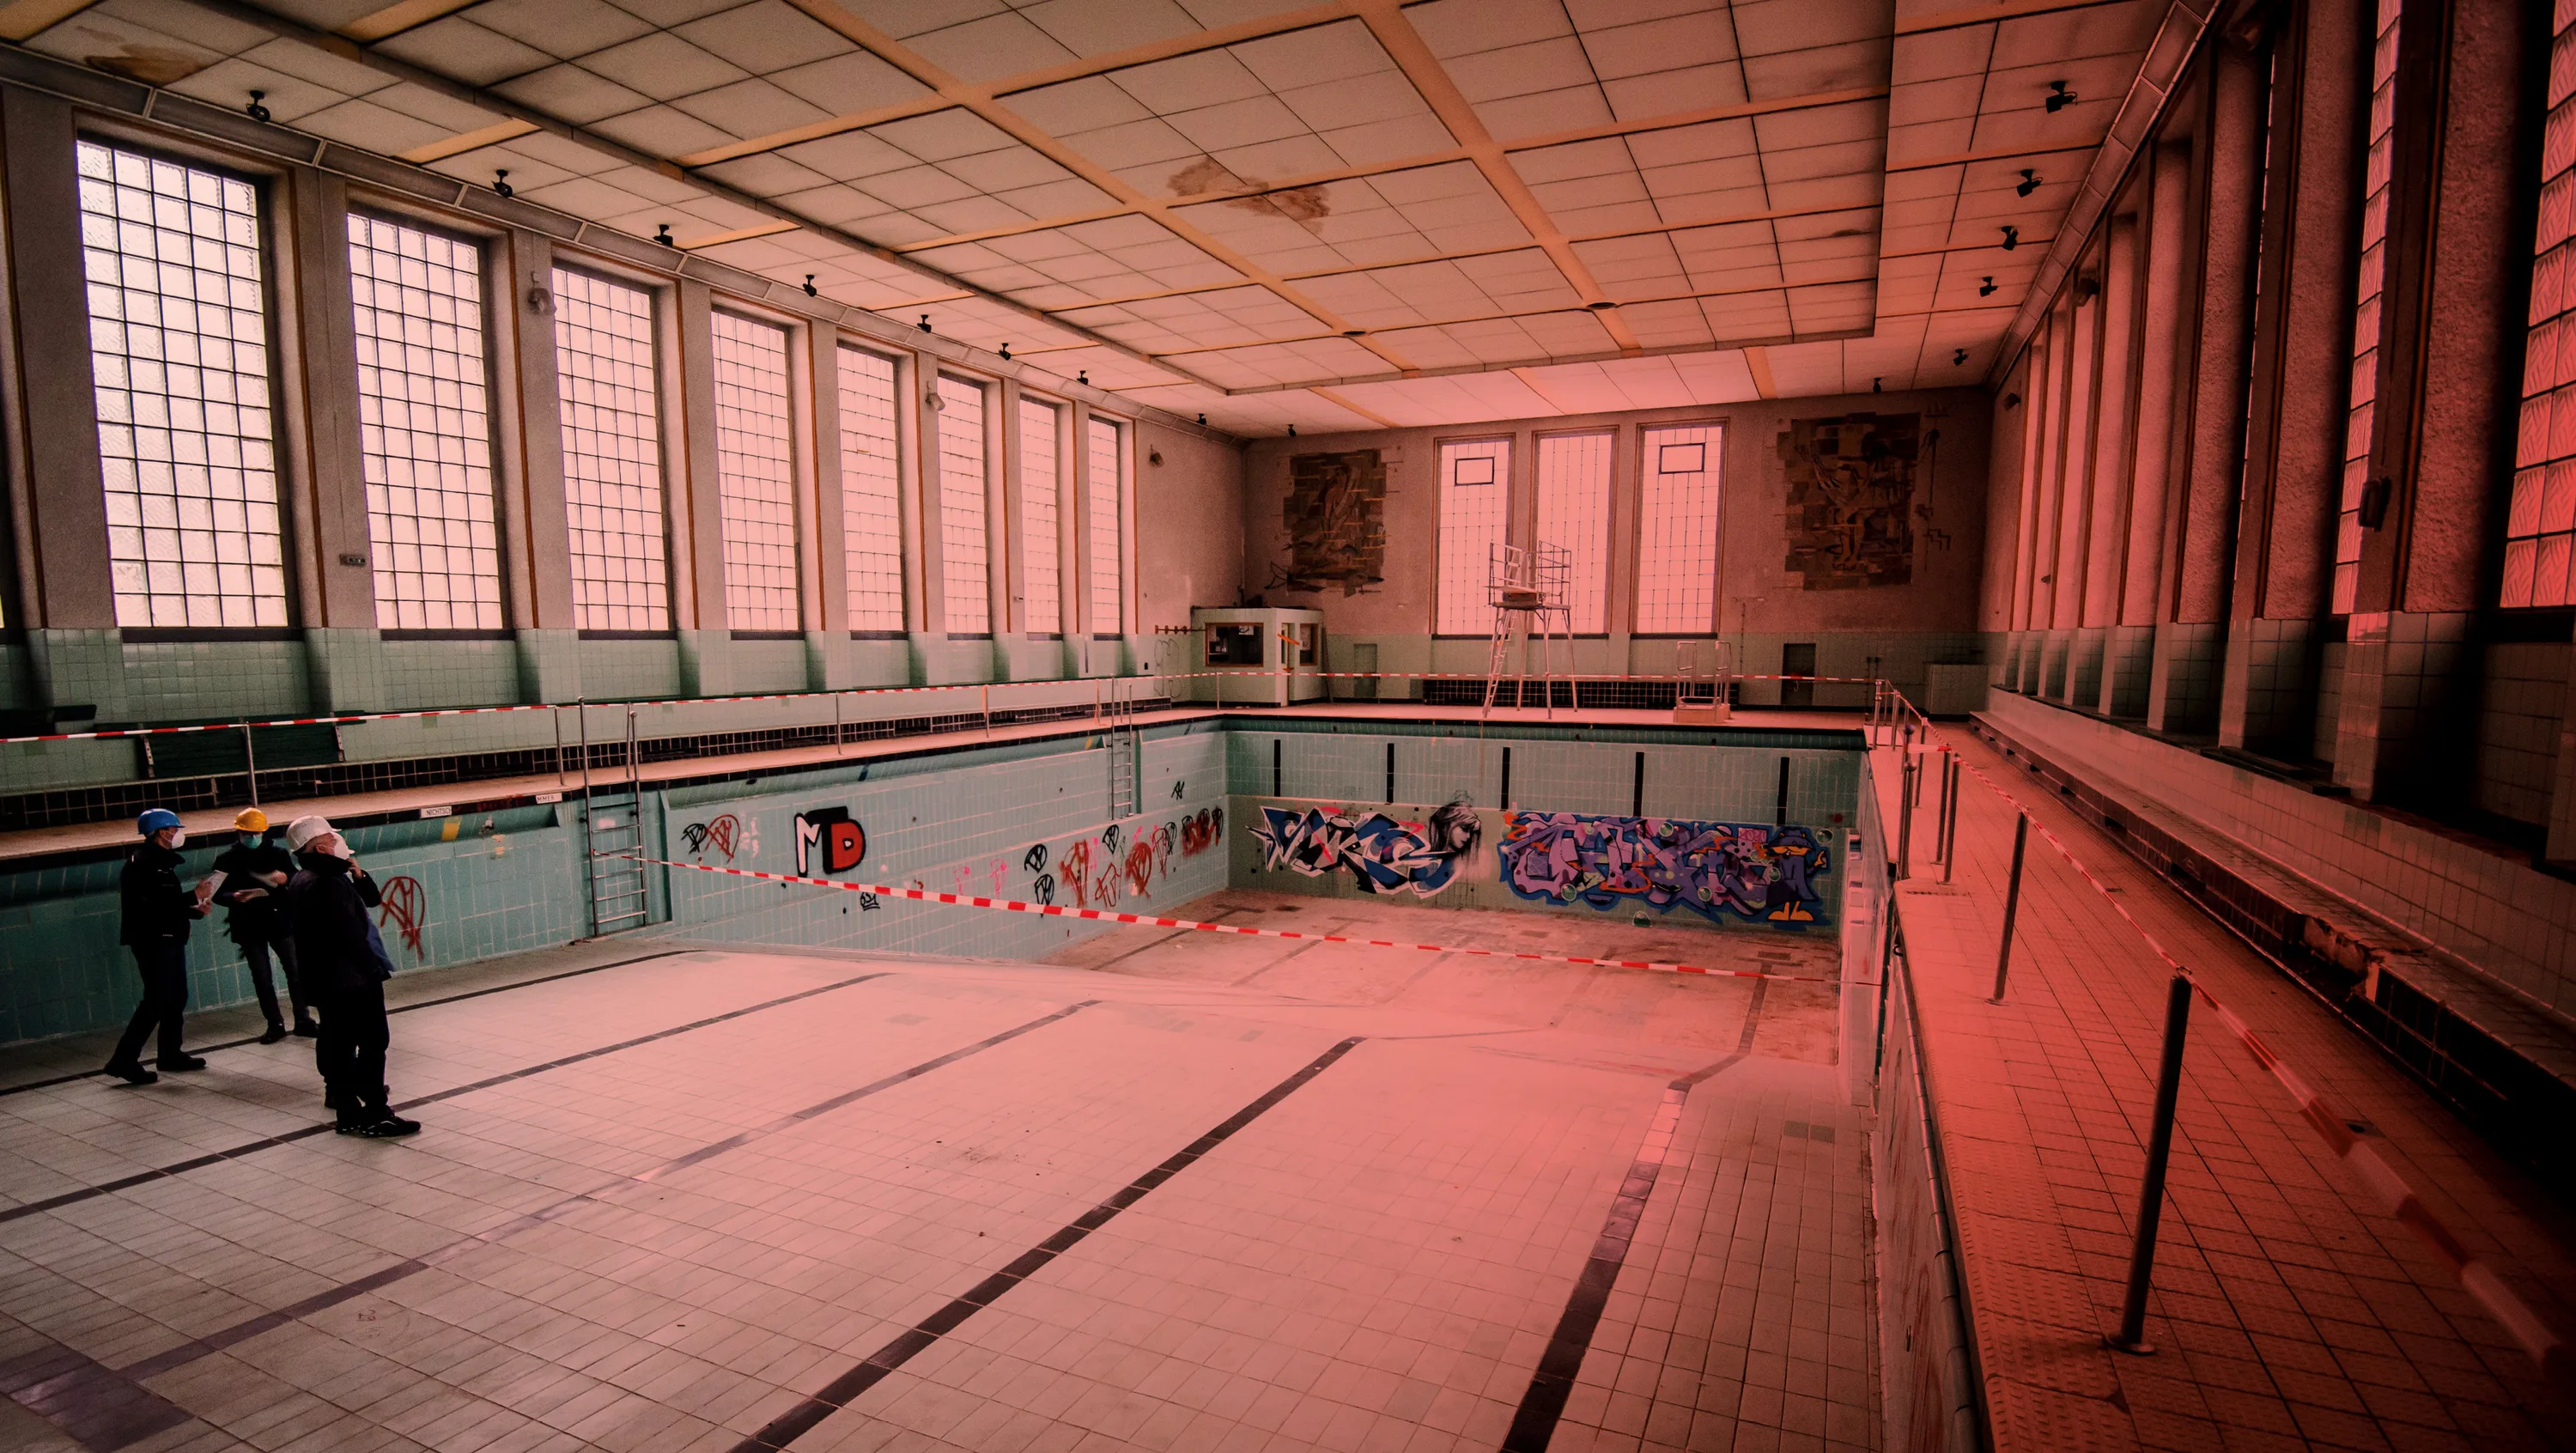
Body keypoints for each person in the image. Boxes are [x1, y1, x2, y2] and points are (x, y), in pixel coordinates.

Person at [281, 816, 417, 1138]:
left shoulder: (304, 878)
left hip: (325, 981)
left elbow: (366, 902)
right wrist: (372, 969)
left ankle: (348, 1112)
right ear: (322, 845)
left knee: (338, 1044)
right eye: (332, 837)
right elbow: (349, 935)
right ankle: (376, 1113)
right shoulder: (327, 882)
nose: (339, 842)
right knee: (373, 1042)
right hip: (351, 980)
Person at [106, 808, 210, 1085]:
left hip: (167, 937)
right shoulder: (143, 863)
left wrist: (195, 909)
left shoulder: (159, 862)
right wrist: (192, 896)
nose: (178, 834)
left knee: (176, 996)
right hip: (153, 940)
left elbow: (165, 903)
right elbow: (152, 906)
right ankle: (123, 1060)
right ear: (163, 832)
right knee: (157, 1000)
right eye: (175, 829)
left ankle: (170, 1053)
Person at [210, 809, 314, 1043]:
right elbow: (215, 892)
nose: (252, 837)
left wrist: (285, 879)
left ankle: (303, 1019)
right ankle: (275, 1023)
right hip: (248, 923)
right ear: (239, 832)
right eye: (247, 833)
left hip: (278, 919)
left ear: (263, 832)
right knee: (262, 976)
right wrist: (234, 896)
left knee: (295, 972)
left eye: (255, 833)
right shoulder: (227, 860)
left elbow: (296, 881)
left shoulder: (278, 855)